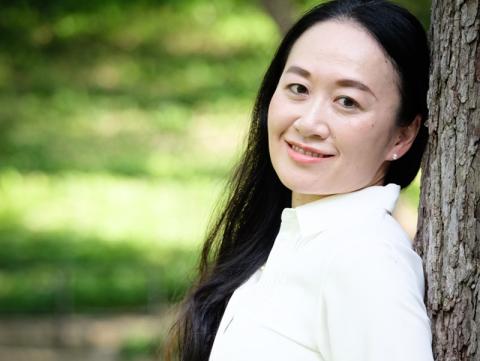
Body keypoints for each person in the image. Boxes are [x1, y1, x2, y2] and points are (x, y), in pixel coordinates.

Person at [165, 0, 433, 360]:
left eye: (347, 101)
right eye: (298, 89)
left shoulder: (366, 260)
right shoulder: (296, 238)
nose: (308, 123)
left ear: (402, 135)